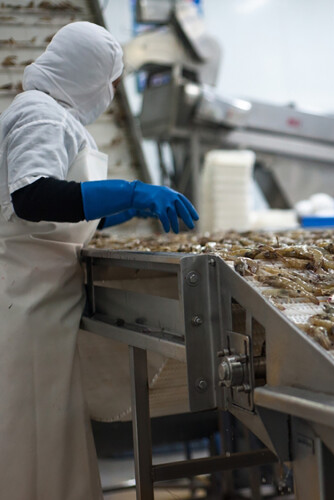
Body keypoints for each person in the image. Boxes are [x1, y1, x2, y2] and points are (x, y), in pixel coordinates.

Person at [0, 22, 198, 500]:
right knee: (31, 440)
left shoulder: (57, 117)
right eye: (112, 80)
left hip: (41, 296)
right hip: (23, 302)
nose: (112, 92)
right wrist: (129, 189)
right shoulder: (40, 114)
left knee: (49, 438)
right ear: (87, 72)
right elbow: (32, 197)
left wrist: (120, 211)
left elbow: (56, 220)